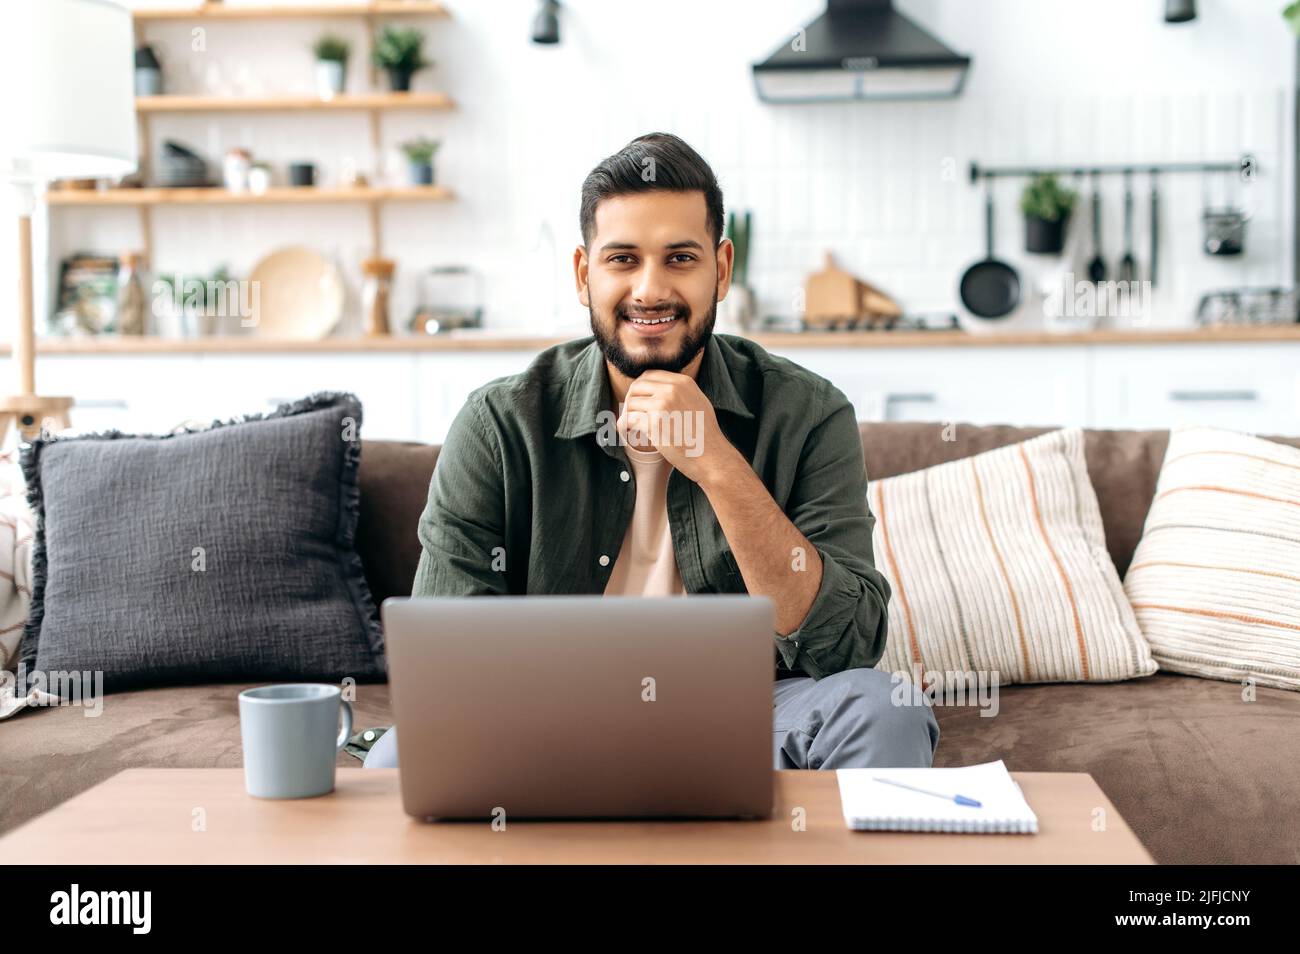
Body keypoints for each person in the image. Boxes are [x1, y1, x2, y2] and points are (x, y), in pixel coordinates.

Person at [365, 132, 937, 771]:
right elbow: (444, 659)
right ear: (585, 275)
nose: (650, 289)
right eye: (623, 259)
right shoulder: (499, 424)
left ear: (721, 269)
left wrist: (716, 462)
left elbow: (848, 646)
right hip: (552, 719)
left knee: (888, 708)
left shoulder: (808, 413)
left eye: (680, 258)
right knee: (398, 756)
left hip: (751, 712)